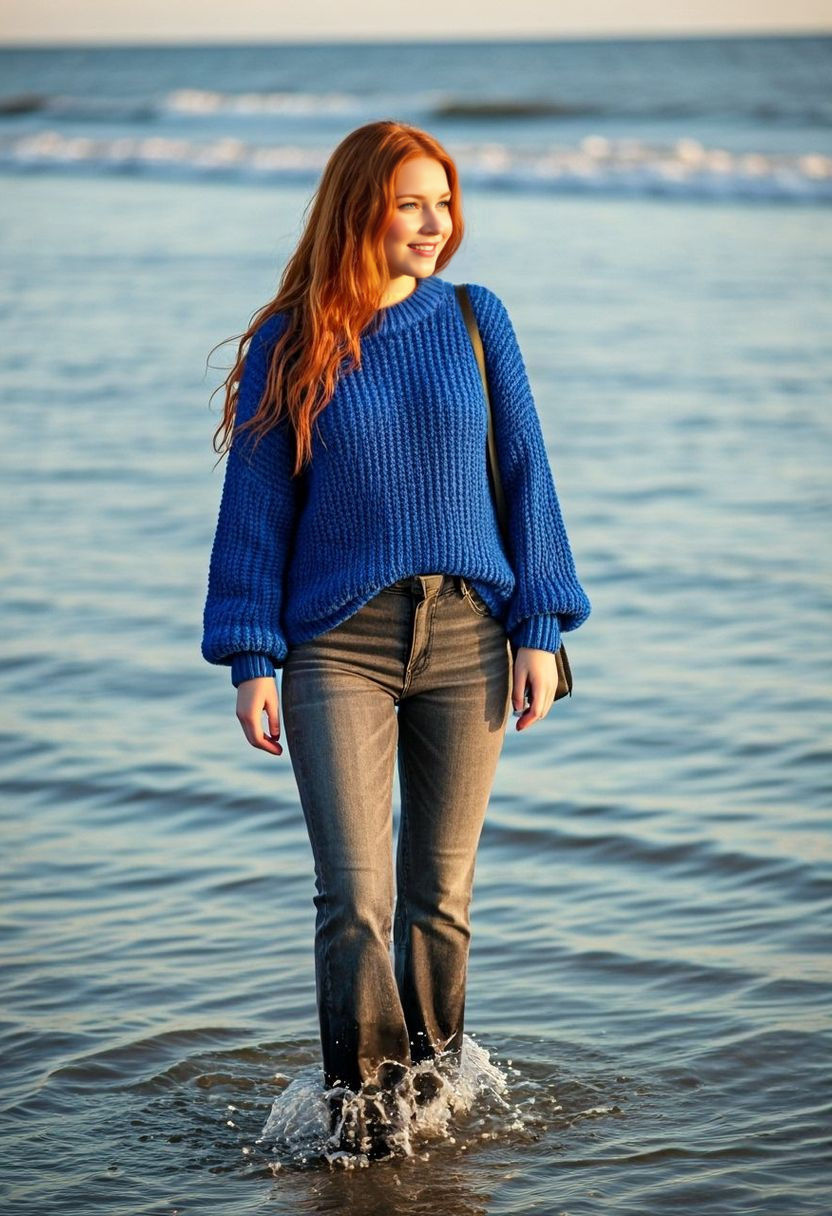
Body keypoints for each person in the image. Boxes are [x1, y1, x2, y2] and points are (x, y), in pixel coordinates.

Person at [201, 119, 591, 1159]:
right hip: (337, 645)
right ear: (359, 208)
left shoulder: (474, 318)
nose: (436, 223)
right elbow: (255, 511)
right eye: (412, 202)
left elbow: (525, 474)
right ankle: (366, 1124)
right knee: (353, 902)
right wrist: (251, 655)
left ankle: (433, 1098)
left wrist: (538, 625)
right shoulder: (293, 337)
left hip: (471, 634)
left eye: (445, 202)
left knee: (440, 901)